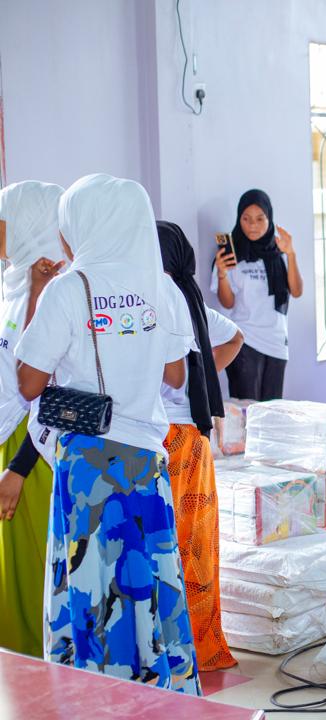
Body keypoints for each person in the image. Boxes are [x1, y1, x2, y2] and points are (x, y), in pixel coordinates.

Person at [15, 174, 200, 693]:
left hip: (88, 468)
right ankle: (160, 690)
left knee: (92, 586)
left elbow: (28, 384)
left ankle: (96, 694)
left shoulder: (68, 290)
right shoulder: (161, 287)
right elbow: (176, 376)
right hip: (146, 463)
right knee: (148, 583)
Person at [158, 221, 244, 670]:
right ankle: (199, 643)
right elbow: (235, 337)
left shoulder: (159, 297)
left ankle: (172, 645)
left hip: (164, 436)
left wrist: (196, 376)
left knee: (167, 544)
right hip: (193, 437)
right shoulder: (191, 297)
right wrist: (203, 379)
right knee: (195, 544)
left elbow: (172, 374)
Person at [0, 181, 64, 656]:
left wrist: (18, 466)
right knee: (12, 565)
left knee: (38, 561)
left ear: (28, 224)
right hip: (7, 435)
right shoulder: (12, 284)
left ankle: (44, 664)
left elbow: (42, 379)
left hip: (35, 444)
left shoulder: (59, 287)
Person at [213, 189, 302, 401]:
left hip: (276, 341)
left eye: (260, 219)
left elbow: (297, 291)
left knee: (272, 412)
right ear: (239, 219)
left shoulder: (279, 252)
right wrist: (222, 274)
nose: (253, 225)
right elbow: (227, 303)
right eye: (246, 219)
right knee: (247, 410)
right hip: (245, 341)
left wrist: (291, 254)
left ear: (269, 219)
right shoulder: (231, 255)